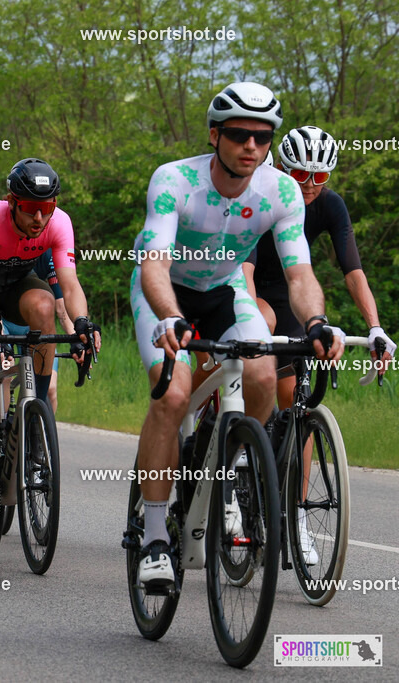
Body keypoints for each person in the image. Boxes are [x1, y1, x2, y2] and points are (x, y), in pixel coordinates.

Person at [131, 82, 343, 590]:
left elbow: (299, 274)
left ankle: (226, 468)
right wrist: (168, 316)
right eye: (240, 134)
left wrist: (315, 323)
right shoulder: (174, 181)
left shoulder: (282, 190)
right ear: (215, 135)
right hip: (165, 292)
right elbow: (154, 263)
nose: (252, 146)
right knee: (175, 393)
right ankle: (155, 537)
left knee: (263, 373)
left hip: (224, 289)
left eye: (262, 136)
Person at [242, 125, 396, 564]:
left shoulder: (329, 205)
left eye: (320, 177)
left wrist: (376, 326)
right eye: (300, 174)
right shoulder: (264, 196)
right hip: (252, 291)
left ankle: (297, 516)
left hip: (293, 295)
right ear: (281, 168)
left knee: (298, 403)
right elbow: (247, 269)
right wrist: (251, 322)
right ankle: (232, 469)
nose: (310, 186)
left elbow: (353, 269)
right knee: (257, 347)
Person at [0, 158, 100, 543]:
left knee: (45, 306)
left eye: (46, 208)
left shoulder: (59, 223)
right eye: (31, 208)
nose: (39, 218)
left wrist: (82, 323)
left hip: (17, 287)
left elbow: (69, 282)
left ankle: (35, 414)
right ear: (11, 202)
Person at [1, 249, 75, 410]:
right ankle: (1, 430)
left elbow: (62, 309)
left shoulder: (49, 254)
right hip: (3, 321)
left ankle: (41, 432)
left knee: (50, 389)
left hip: (32, 324)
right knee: (4, 375)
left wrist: (76, 338)